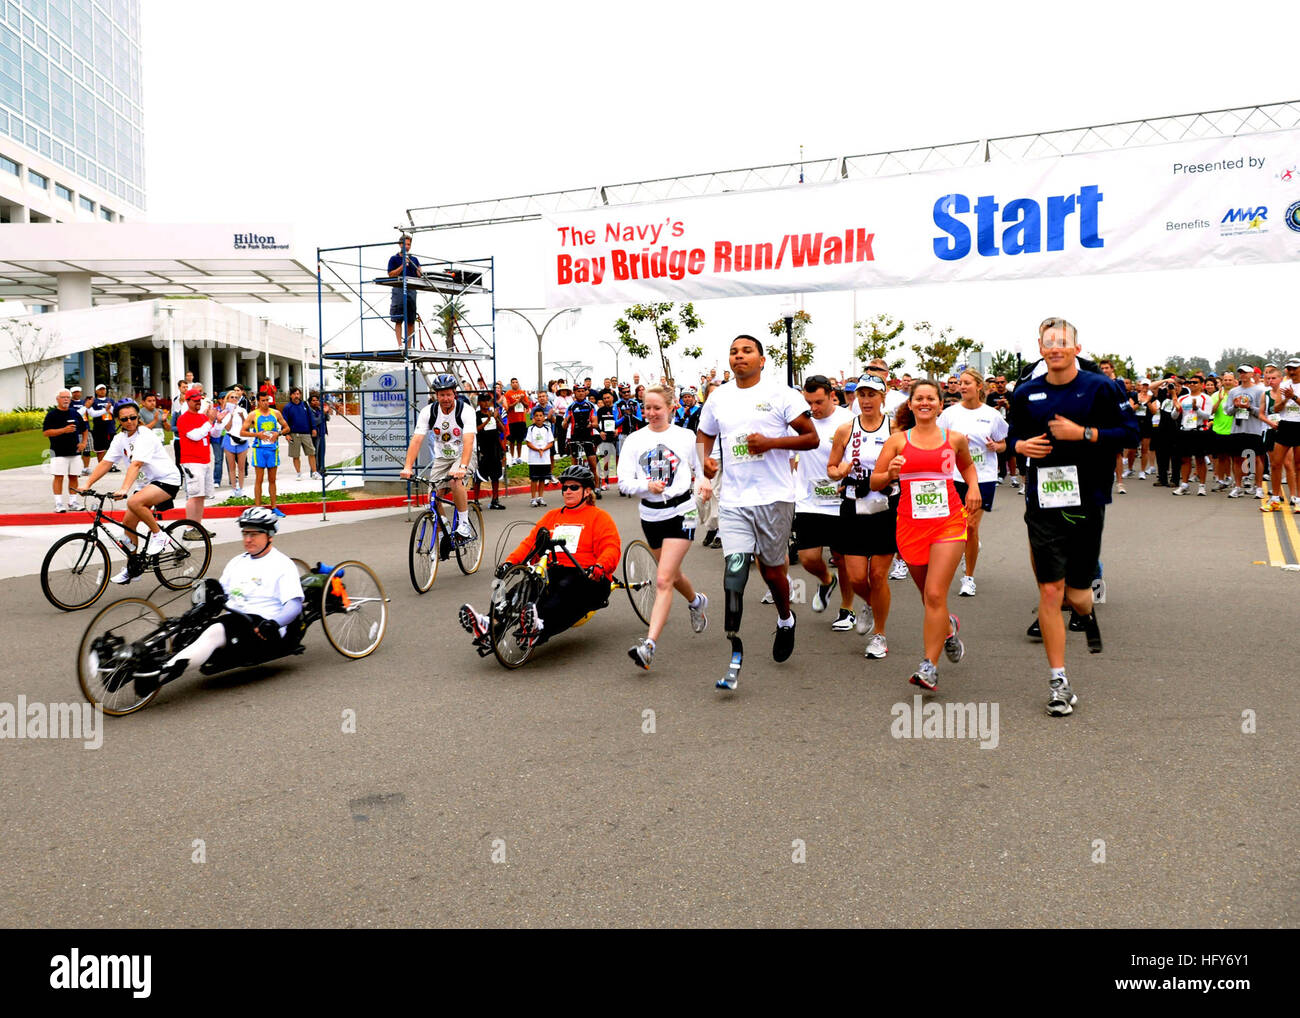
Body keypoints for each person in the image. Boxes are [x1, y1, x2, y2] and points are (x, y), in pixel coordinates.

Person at [1007, 317, 1138, 716]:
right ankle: (1059, 680)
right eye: (1049, 342)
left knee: (1078, 594)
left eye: (1063, 341)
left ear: (1076, 348)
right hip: (1043, 501)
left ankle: (1087, 612)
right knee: (1051, 591)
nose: (1056, 347)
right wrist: (1021, 446)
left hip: (1088, 500)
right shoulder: (1027, 392)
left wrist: (1083, 434)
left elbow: (1131, 434)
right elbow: (1012, 436)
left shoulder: (1101, 387)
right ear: (1041, 349)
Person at [696, 334, 819, 692]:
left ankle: (785, 618)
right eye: (733, 351)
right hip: (734, 499)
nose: (739, 356)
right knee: (734, 570)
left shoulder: (782, 395)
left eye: (747, 351)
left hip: (774, 497)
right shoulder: (718, 397)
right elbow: (703, 434)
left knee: (771, 569)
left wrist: (770, 443)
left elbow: (810, 438)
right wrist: (703, 460)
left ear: (762, 360)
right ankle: (735, 649)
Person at [871, 380, 981, 691]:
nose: (924, 403)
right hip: (910, 525)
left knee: (935, 594)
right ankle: (948, 628)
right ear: (910, 404)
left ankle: (928, 666)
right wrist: (890, 473)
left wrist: (972, 486)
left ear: (939, 404)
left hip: (948, 523)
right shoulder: (897, 441)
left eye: (930, 398)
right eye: (918, 398)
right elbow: (876, 481)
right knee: (927, 596)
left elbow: (968, 467)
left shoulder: (954, 439)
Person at [144, 507, 305, 696]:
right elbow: (222, 592)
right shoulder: (237, 562)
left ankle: (161, 674)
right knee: (180, 627)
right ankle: (129, 659)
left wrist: (273, 623)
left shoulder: (282, 564)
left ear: (269, 535)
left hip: (262, 629)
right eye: (245, 533)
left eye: (253, 534)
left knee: (215, 630)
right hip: (235, 622)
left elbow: (294, 606)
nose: (247, 539)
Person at [458, 465, 621, 653]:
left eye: (573, 487)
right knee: (525, 587)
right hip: (554, 570)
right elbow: (530, 544)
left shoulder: (599, 517)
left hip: (589, 576)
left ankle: (538, 626)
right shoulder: (552, 516)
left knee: (565, 588)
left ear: (587, 491)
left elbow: (611, 547)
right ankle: (490, 626)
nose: (567, 491)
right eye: (564, 488)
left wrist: (600, 566)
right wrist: (510, 563)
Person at [619, 385, 709, 668]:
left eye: (657, 407)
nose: (651, 413)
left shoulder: (686, 436)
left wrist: (704, 481)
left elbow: (702, 467)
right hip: (651, 516)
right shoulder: (634, 440)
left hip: (683, 511)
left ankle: (649, 645)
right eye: (647, 407)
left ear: (671, 407)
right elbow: (623, 482)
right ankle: (696, 602)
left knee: (662, 579)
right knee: (671, 575)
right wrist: (646, 485)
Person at [82, 399, 183, 583]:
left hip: (167, 479)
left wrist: (124, 489)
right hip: (146, 484)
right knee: (128, 524)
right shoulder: (120, 439)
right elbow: (106, 462)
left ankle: (159, 536)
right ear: (118, 421)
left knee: (134, 502)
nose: (129, 422)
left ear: (138, 417)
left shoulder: (145, 434)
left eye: (133, 417)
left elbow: (136, 464)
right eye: (124, 419)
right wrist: (87, 484)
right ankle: (133, 568)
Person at [792, 374, 856, 633]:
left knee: (842, 557)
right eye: (809, 402)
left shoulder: (848, 420)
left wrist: (845, 472)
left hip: (840, 497)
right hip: (809, 498)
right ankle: (826, 581)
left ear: (832, 396)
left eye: (818, 402)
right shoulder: (801, 421)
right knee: (808, 558)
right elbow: (791, 453)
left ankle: (847, 609)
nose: (813, 408)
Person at [937, 368, 1008, 596]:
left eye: (967, 382)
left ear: (979, 387)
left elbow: (1003, 443)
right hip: (955, 476)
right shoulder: (950, 414)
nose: (963, 386)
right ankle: (969, 545)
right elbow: (938, 443)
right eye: (960, 383)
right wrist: (954, 445)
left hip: (984, 475)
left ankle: (968, 577)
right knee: (957, 527)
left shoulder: (992, 415)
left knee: (970, 525)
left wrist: (995, 447)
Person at [399, 374, 476, 539]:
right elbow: (417, 439)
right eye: (441, 395)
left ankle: (464, 524)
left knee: (456, 481)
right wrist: (408, 466)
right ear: (436, 395)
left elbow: (469, 441)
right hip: (442, 458)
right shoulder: (429, 411)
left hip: (463, 455)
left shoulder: (466, 411)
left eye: (448, 394)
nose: (445, 398)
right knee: (431, 498)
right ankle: (444, 530)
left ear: (454, 393)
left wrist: (462, 467)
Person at [176, 388, 221, 539]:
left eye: (199, 400)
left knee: (201, 495)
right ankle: (189, 529)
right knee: (194, 495)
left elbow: (213, 433)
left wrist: (218, 422)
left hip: (204, 460)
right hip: (191, 461)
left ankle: (198, 527)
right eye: (195, 400)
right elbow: (195, 436)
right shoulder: (184, 419)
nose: (198, 402)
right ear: (187, 401)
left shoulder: (202, 417)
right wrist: (209, 421)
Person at [241, 389, 290, 517]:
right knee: (259, 479)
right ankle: (258, 508)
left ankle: (274, 507)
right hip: (259, 450)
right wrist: (256, 434)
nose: (265, 403)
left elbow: (287, 428)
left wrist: (277, 433)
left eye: (267, 400)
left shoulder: (276, 413)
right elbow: (242, 432)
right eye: (263, 401)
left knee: (272, 479)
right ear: (258, 401)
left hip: (273, 450)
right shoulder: (253, 415)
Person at [1224, 365, 1266, 498]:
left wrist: (1249, 407)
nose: (1242, 375)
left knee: (1256, 458)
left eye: (1245, 372)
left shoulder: (1260, 390)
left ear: (1252, 374)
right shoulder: (1234, 391)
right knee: (1237, 458)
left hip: (1254, 429)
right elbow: (1228, 411)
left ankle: (1258, 487)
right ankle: (1238, 486)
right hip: (1237, 429)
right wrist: (1235, 406)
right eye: (1240, 373)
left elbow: (1262, 411)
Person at [43, 388, 88, 513]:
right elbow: (46, 432)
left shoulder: (75, 413)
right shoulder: (52, 415)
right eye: (63, 397)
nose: (66, 400)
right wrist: (63, 430)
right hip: (58, 452)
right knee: (59, 477)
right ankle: (58, 503)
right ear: (57, 399)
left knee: (74, 476)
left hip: (75, 451)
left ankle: (73, 502)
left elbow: (85, 429)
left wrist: (83, 443)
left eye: (68, 397)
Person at [1264, 359, 1300, 512]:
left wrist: (1294, 397)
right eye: (1289, 369)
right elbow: (1276, 408)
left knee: (1298, 465)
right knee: (1275, 463)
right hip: (1285, 425)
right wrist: (1285, 399)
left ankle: (1298, 499)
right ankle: (1275, 499)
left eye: (1294, 369)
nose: (1291, 371)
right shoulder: (1284, 385)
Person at [1171, 375, 1213, 496]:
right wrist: (1176, 409)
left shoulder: (1205, 398)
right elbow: (1174, 416)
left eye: (1195, 382)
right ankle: (1184, 485)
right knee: (1185, 459)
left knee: (1200, 459)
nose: (1192, 384)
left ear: (1201, 384)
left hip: (1199, 430)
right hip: (1185, 430)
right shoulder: (1183, 398)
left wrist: (1196, 409)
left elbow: (1207, 416)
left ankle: (1202, 485)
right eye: (1190, 382)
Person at [561, 382, 601, 495]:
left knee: (593, 464)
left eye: (583, 391)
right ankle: (576, 488)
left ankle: (597, 487)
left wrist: (590, 424)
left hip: (588, 436)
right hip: (574, 436)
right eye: (578, 391)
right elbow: (564, 426)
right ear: (574, 392)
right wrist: (566, 421)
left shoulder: (591, 405)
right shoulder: (571, 406)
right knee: (574, 465)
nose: (581, 393)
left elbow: (595, 422)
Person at [471, 390, 508, 510]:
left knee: (495, 476)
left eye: (488, 401)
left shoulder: (494, 414)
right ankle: (475, 500)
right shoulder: (476, 416)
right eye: (484, 401)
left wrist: (496, 419)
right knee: (479, 477)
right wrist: (487, 420)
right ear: (479, 403)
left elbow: (503, 429)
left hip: (495, 449)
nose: (486, 403)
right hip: (482, 449)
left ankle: (495, 500)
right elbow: (476, 430)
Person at [387, 234, 422, 349]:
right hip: (399, 289)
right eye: (405, 244)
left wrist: (419, 270)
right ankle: (399, 344)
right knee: (398, 318)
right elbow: (390, 274)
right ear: (400, 244)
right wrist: (402, 266)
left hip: (411, 289)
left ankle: (409, 345)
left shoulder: (414, 259)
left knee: (411, 319)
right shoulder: (394, 259)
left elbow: (419, 274)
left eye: (409, 244)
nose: (407, 246)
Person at [217, 388, 251, 498]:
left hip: (241, 439)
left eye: (236, 397)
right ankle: (234, 488)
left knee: (241, 467)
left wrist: (241, 416)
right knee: (231, 467)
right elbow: (227, 427)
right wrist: (231, 415)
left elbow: (247, 425)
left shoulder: (243, 410)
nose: (234, 399)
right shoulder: (225, 411)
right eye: (232, 397)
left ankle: (241, 488)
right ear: (228, 399)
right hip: (229, 439)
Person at [281, 387, 319, 480]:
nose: (296, 396)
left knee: (311, 453)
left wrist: (313, 428)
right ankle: (299, 473)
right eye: (294, 394)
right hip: (293, 434)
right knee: (295, 455)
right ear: (291, 395)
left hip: (306, 433)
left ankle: (314, 472)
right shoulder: (287, 407)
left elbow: (311, 417)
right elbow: (284, 421)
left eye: (298, 394)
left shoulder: (305, 405)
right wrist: (286, 434)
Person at [524, 406, 554, 507]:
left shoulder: (547, 429)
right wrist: (538, 450)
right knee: (534, 479)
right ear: (533, 417)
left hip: (544, 459)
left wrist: (543, 450)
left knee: (542, 479)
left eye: (540, 416)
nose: (538, 418)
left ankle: (540, 497)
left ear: (544, 417)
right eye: (536, 416)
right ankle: (533, 498)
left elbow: (551, 442)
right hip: (534, 459)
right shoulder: (531, 429)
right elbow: (528, 443)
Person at [504, 377, 531, 464]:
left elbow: (527, 405)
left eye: (516, 382)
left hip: (521, 420)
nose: (515, 384)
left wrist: (522, 400)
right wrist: (517, 401)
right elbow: (508, 407)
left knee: (519, 440)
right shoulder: (508, 394)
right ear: (511, 384)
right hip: (512, 420)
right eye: (513, 382)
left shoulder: (522, 393)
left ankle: (519, 457)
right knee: (512, 440)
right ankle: (512, 457)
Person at [89, 383, 116, 468]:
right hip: (99, 428)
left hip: (110, 427)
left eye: (104, 389)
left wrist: (110, 408)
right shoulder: (94, 401)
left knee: (112, 447)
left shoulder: (110, 400)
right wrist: (105, 410)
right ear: (96, 391)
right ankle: (101, 465)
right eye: (100, 389)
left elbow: (115, 412)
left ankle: (111, 465)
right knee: (100, 448)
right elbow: (93, 414)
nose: (102, 391)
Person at [308, 391, 331, 477]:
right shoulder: (310, 411)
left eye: (317, 400)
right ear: (310, 402)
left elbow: (328, 419)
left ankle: (321, 470)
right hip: (315, 435)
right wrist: (323, 414)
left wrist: (326, 412)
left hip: (322, 433)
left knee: (322, 452)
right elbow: (315, 421)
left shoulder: (320, 409)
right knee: (315, 453)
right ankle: (314, 471)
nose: (316, 402)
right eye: (313, 400)